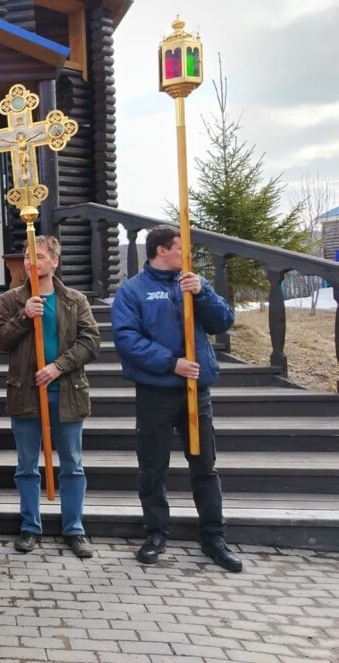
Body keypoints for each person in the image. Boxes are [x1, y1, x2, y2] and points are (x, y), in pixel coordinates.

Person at [111, 224, 242, 573]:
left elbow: (223, 321)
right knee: (153, 467)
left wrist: (202, 294)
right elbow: (127, 340)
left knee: (205, 466)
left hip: (196, 392)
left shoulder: (193, 283)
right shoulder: (133, 291)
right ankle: (155, 534)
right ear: (161, 251)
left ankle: (214, 537)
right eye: (181, 248)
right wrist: (172, 363)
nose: (188, 254)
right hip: (155, 392)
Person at [0, 237, 100, 558]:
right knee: (27, 465)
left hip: (67, 393)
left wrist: (58, 367)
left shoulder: (74, 300)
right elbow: (1, 340)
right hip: (25, 394)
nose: (31, 262)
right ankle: (30, 526)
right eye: (27, 256)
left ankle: (74, 528)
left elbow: (91, 341)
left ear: (55, 261)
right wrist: (24, 316)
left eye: (38, 256)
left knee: (72, 465)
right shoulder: (12, 300)